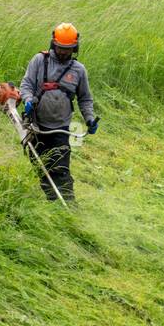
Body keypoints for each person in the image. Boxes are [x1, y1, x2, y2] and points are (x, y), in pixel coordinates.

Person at [18, 23, 98, 201]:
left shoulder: (79, 70)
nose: (63, 52)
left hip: (60, 129)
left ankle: (67, 205)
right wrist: (28, 100)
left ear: (74, 48)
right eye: (60, 48)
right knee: (41, 167)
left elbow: (85, 98)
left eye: (67, 49)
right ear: (53, 44)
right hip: (36, 126)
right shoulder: (39, 61)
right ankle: (53, 202)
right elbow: (26, 85)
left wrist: (90, 119)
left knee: (60, 170)